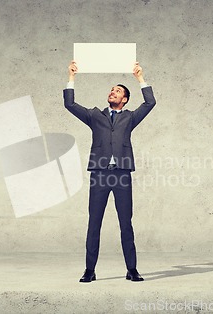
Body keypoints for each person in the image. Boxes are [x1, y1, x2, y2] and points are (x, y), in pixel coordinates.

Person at [63, 60, 156, 283]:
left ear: (124, 99)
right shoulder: (95, 116)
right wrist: (72, 77)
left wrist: (140, 78)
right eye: (112, 90)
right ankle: (89, 270)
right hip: (99, 174)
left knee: (126, 223)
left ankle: (132, 269)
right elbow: (70, 104)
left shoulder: (130, 117)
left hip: (122, 173)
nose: (112, 92)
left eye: (118, 91)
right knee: (94, 222)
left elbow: (150, 102)